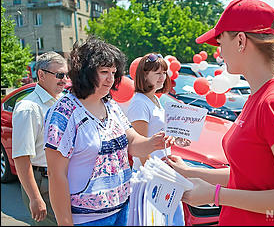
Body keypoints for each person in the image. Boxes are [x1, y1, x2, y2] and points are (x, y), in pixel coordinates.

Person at [166, 0, 274, 226]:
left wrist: (215, 195)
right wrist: (190, 172)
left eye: (220, 41)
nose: (218, 52)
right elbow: (248, 177)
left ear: (240, 41)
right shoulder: (259, 95)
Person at [43, 37, 174, 226]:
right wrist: (65, 223)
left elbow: (133, 142)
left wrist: (155, 142)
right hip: (87, 219)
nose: (111, 79)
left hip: (123, 210)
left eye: (113, 72)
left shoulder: (111, 106)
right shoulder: (63, 113)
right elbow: (56, 175)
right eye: (104, 72)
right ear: (84, 73)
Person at [126, 53, 189, 226]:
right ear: (144, 75)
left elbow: (157, 137)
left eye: (164, 72)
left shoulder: (154, 99)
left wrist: (175, 139)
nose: (163, 77)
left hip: (163, 173)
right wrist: (154, 175)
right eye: (157, 73)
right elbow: (141, 147)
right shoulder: (140, 103)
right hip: (151, 177)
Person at [12, 51, 68, 226]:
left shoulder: (63, 100)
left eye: (66, 74)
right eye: (59, 75)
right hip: (43, 182)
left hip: (64, 178)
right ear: (41, 75)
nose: (64, 79)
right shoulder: (28, 108)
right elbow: (21, 157)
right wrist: (35, 198)